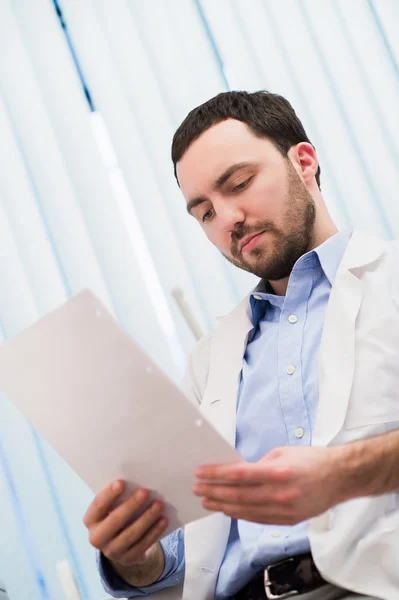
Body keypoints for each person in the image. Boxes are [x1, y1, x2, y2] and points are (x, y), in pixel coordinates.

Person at [83, 91, 399, 600]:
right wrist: (135, 556)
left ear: (304, 161)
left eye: (239, 184)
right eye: (204, 212)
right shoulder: (211, 360)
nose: (227, 218)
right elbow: (186, 551)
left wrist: (344, 475)